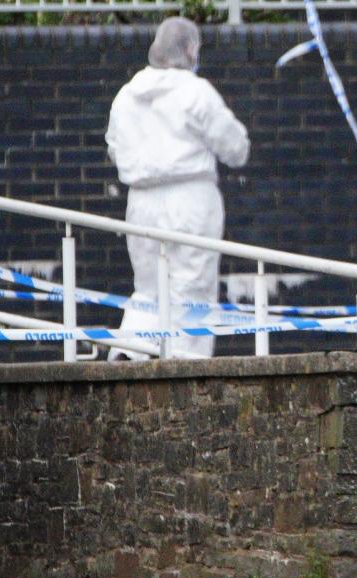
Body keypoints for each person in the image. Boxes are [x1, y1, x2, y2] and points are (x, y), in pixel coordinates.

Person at [105, 16, 250, 359]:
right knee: (192, 288)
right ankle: (189, 365)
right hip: (191, 198)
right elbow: (236, 148)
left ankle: (133, 350)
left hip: (140, 201)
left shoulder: (126, 95)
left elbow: (114, 147)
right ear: (188, 49)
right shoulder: (195, 92)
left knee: (148, 287)